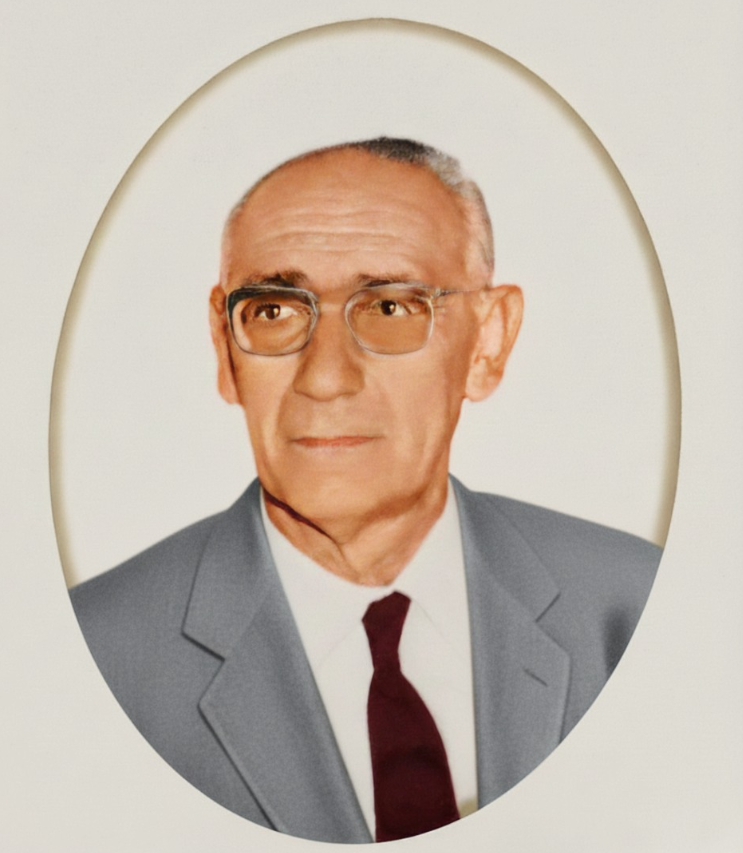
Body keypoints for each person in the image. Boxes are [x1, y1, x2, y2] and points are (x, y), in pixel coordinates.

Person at [70, 137, 661, 844]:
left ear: (488, 340)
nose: (325, 377)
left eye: (388, 308)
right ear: (225, 349)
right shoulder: (89, 657)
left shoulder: (639, 611)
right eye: (273, 311)